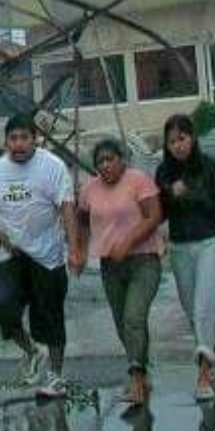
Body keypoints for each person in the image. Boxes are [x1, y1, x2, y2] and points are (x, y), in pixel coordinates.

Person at [0, 113, 81, 399]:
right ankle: (31, 351)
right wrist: (3, 238)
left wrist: (74, 249)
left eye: (24, 138)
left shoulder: (52, 167)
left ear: (34, 139)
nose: (19, 144)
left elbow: (67, 208)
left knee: (50, 317)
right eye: (13, 138)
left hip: (47, 256)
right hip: (12, 255)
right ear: (6, 141)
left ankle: (56, 376)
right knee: (3, 307)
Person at [77, 138, 164, 407]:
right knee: (122, 323)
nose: (105, 165)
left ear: (122, 159)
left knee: (134, 317)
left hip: (144, 260)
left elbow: (154, 215)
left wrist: (128, 242)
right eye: (100, 161)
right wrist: (78, 251)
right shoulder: (90, 189)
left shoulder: (138, 180)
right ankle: (143, 369)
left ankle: (136, 380)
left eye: (110, 159)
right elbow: (81, 221)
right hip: (110, 265)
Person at [154, 113, 215, 402]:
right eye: (172, 141)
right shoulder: (163, 172)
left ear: (193, 137)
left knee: (203, 307)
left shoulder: (209, 167)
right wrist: (170, 195)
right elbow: (159, 212)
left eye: (182, 138)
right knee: (191, 311)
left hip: (209, 242)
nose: (178, 146)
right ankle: (212, 354)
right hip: (179, 247)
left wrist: (193, 195)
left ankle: (203, 376)